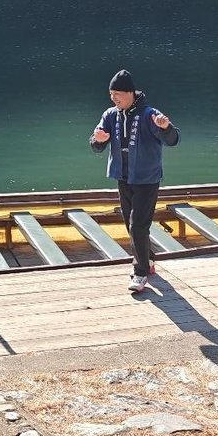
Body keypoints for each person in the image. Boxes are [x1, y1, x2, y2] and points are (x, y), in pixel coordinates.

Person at [90, 69, 180, 293]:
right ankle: (148, 260)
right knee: (130, 224)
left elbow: (173, 139)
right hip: (123, 176)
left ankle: (140, 273)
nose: (114, 98)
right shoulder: (111, 114)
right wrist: (98, 140)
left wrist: (165, 127)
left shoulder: (150, 114)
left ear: (130, 93)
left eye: (117, 94)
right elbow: (96, 143)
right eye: (111, 94)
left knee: (138, 224)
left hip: (147, 178)